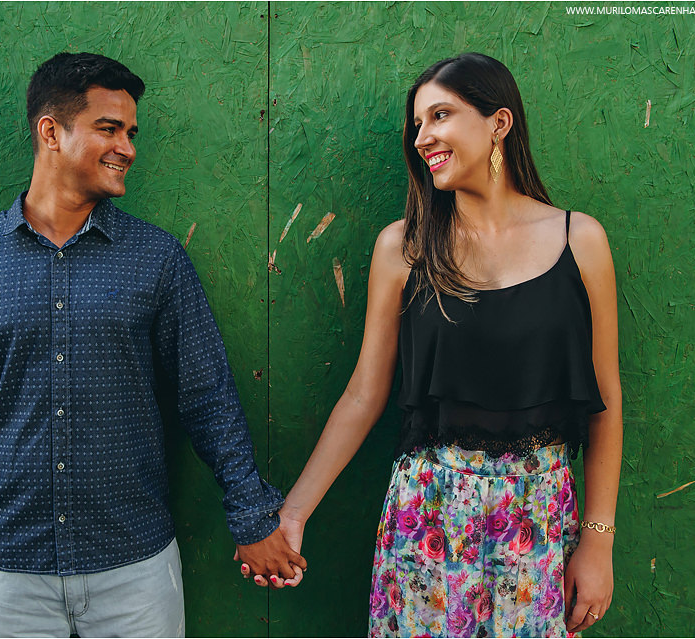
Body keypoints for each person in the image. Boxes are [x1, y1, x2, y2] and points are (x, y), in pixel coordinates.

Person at [0, 52, 305, 639]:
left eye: (131, 132)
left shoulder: (157, 260)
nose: (127, 147)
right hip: (6, 575)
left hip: (135, 573)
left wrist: (252, 518)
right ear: (51, 131)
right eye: (109, 128)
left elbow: (208, 397)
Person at [243, 53, 622, 637]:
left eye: (440, 115)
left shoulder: (581, 240)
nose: (422, 138)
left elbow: (606, 403)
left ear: (498, 122)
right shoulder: (404, 247)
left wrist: (598, 544)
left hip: (539, 517)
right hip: (429, 514)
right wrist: (293, 513)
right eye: (416, 124)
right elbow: (364, 394)